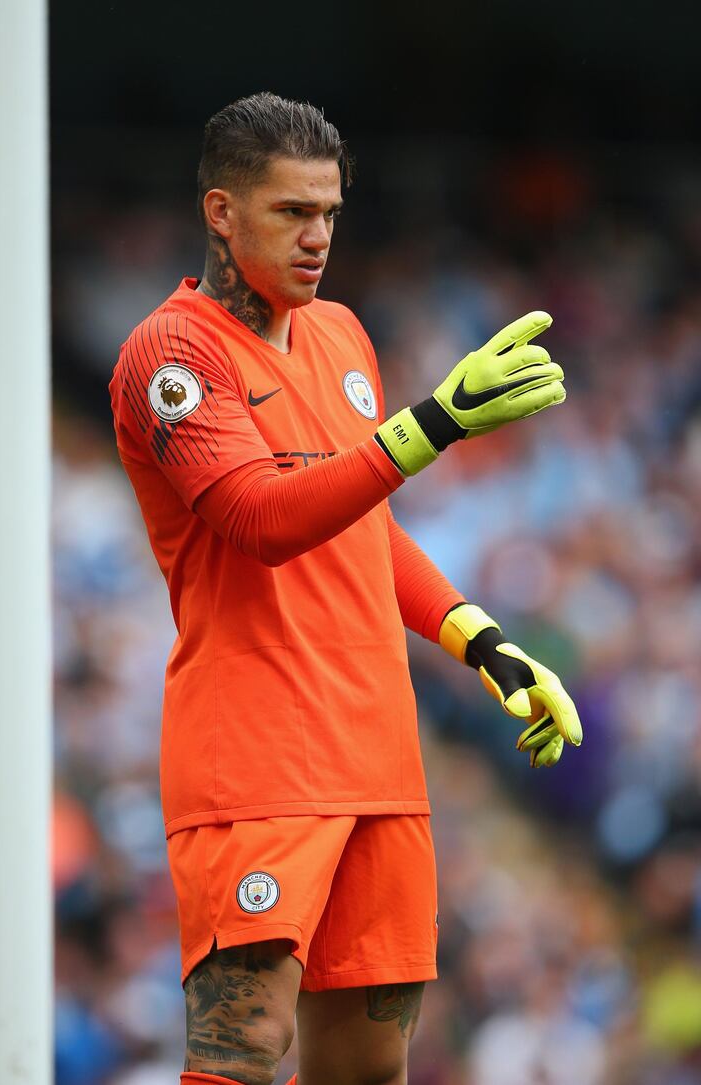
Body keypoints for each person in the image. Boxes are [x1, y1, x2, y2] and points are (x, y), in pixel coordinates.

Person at [109, 92, 582, 1085]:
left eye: (328, 211)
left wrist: (482, 641)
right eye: (290, 212)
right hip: (257, 758)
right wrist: (434, 422)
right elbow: (264, 518)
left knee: (366, 1065)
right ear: (219, 213)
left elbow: (360, 527)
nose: (317, 236)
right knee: (240, 1046)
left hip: (375, 753)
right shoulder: (171, 354)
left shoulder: (340, 335)